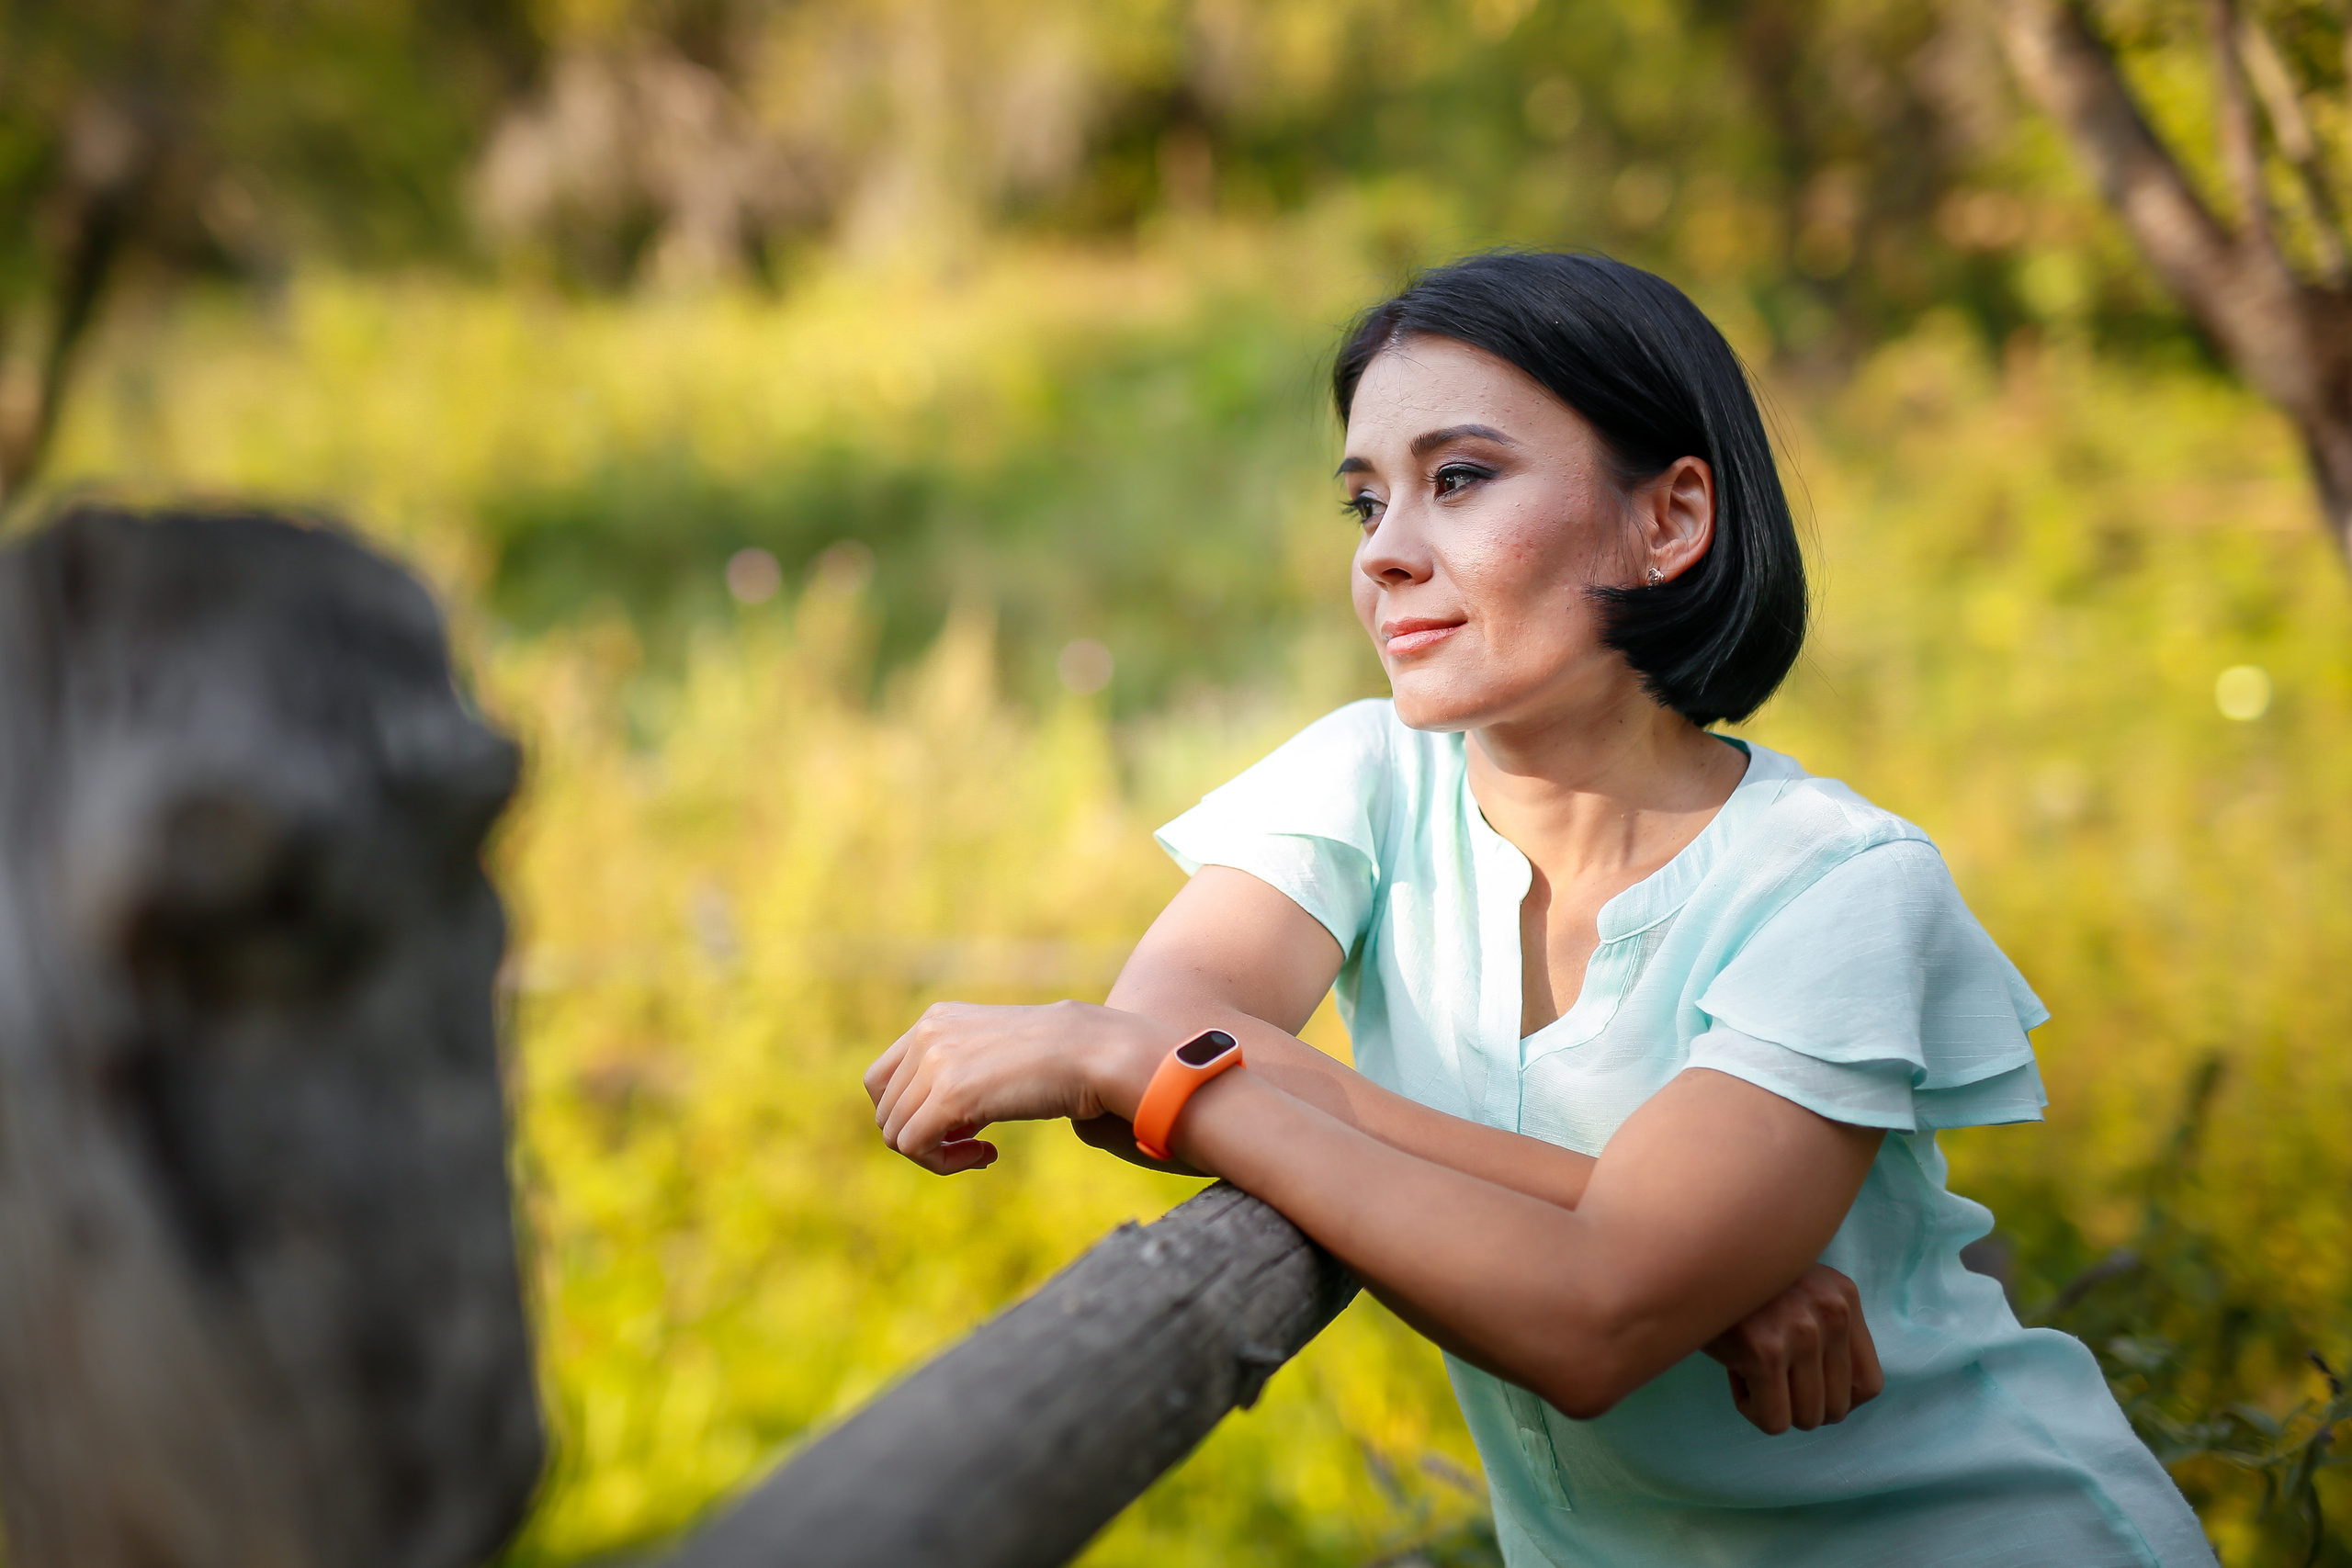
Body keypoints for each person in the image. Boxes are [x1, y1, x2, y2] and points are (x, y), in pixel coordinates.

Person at [864, 251, 2214, 1566]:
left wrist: (1642, 1265)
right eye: (1366, 503)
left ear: (1670, 519)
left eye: (1458, 480)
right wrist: (1674, 1250)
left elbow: (1589, 1319)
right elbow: (1170, 1045)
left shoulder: (1840, 886)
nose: (1388, 554)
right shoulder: (1366, 778)